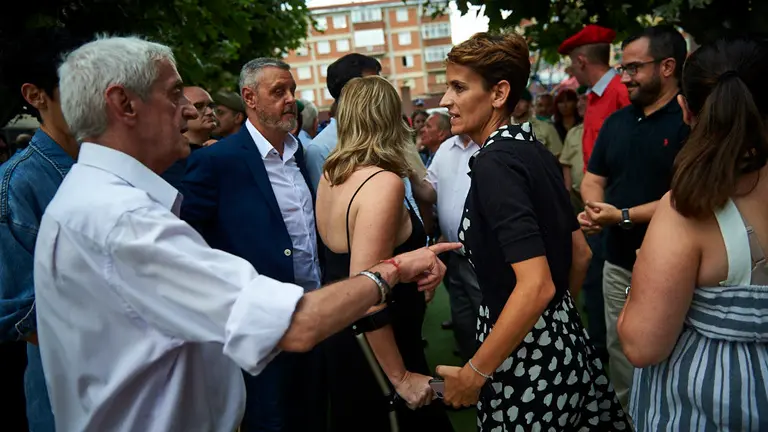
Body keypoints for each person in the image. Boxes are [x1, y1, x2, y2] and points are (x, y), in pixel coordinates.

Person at [34, 35, 457, 432]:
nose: (190, 110)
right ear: (123, 104)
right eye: (174, 93)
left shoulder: (93, 199)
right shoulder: (119, 219)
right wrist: (393, 270)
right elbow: (296, 323)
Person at [435, 31, 627, 430]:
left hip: (521, 360)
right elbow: (581, 254)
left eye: (458, 87)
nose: (444, 101)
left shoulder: (494, 163)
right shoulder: (534, 150)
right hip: (565, 344)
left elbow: (536, 284)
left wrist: (474, 373)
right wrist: (551, 325)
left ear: (499, 93)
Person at [618, 36, 768, 431]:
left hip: (710, 406)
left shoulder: (687, 209)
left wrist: (641, 280)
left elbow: (641, 344)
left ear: (687, 109)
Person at [182, 58, 319, 432]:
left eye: (291, 90)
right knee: (271, 420)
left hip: (316, 316)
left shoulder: (300, 154)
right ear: (250, 98)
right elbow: (189, 242)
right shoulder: (217, 161)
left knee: (316, 414)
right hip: (261, 328)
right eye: (278, 91)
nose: (290, 99)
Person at [316, 75, 454, 432]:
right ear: (391, 117)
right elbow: (368, 292)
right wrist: (401, 376)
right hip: (380, 346)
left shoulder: (331, 173)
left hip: (352, 336)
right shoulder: (383, 183)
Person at [579, 25, 689, 413]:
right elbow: (593, 179)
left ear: (668, 66)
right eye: (622, 68)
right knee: (621, 354)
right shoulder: (618, 122)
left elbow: (688, 197)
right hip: (619, 263)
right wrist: (595, 209)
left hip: (675, 269)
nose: (625, 77)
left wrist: (620, 215)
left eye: (634, 68)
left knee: (672, 356)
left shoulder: (689, 121)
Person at [0, 27, 84, 432]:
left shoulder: (118, 163)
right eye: (77, 87)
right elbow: (21, 314)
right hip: (71, 395)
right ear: (36, 96)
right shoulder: (16, 184)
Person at [410, 131, 482, 363]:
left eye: (459, 91)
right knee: (464, 322)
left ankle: (498, 384)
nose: (447, 102)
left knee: (492, 321)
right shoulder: (447, 147)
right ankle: (473, 384)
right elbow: (430, 193)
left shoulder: (493, 145)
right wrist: (410, 168)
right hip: (456, 254)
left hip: (485, 257)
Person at [305, 53, 381, 190]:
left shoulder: (386, 134)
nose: (381, 92)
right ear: (348, 92)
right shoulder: (320, 150)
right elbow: (328, 207)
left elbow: (408, 197)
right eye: (372, 85)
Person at [559, 24, 630, 168]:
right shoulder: (593, 95)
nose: (572, 70)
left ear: (581, 61)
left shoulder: (622, 93)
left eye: (572, 63)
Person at [160, 86, 216, 196]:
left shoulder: (222, 146)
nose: (210, 112)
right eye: (199, 106)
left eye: (211, 106)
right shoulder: (170, 158)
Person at [511, 89, 563, 157]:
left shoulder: (546, 127)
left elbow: (557, 155)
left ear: (529, 103)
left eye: (521, 101)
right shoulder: (501, 127)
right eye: (512, 101)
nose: (516, 105)